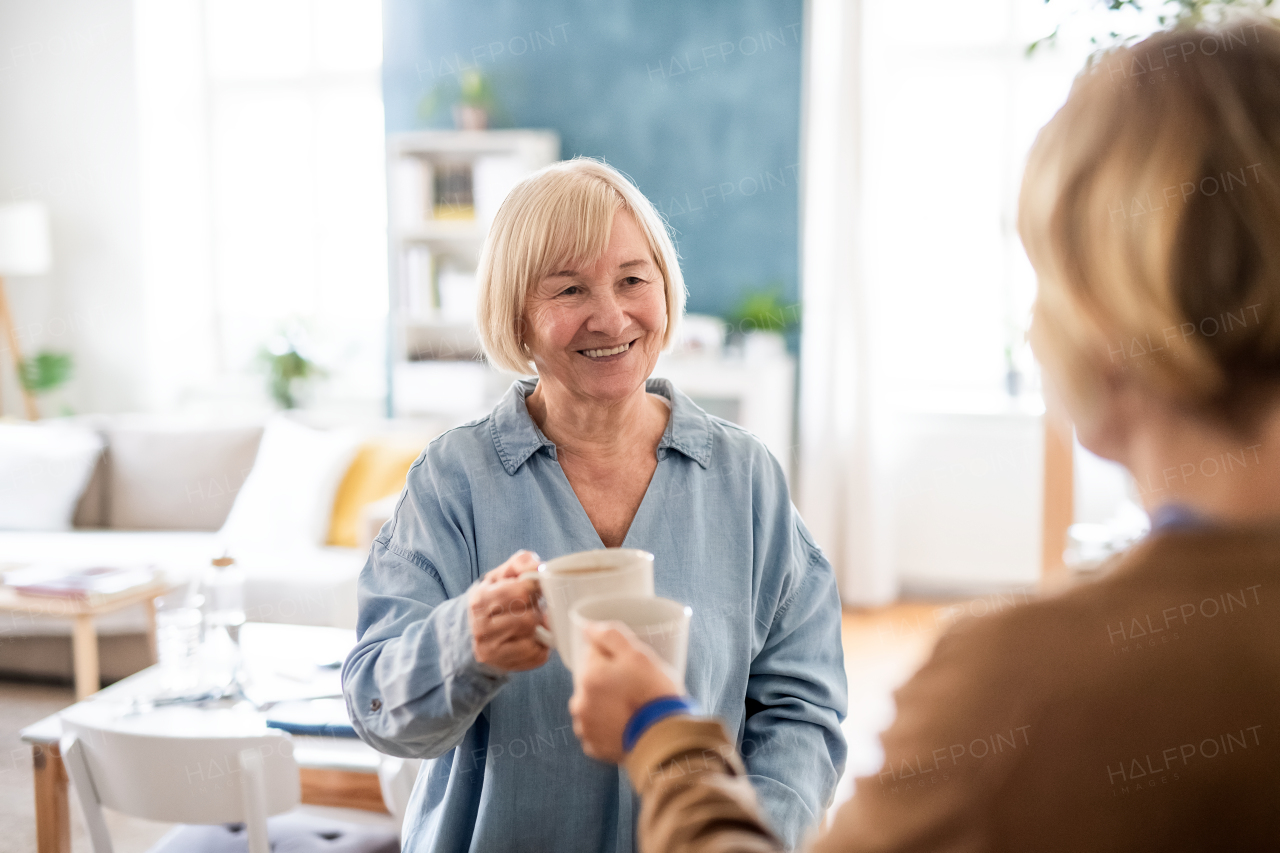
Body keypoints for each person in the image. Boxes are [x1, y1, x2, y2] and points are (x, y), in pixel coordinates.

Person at [569, 22, 1280, 853]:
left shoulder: (1028, 691)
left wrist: (663, 729)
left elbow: (800, 695)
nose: (1033, 320)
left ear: (1112, 311)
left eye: (1046, 274)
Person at [342, 157, 848, 852]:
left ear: (665, 289)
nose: (611, 316)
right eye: (570, 288)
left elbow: (801, 712)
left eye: (633, 280)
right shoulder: (452, 480)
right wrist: (465, 640)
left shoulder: (745, 478)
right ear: (516, 315)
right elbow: (376, 704)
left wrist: (754, 836)